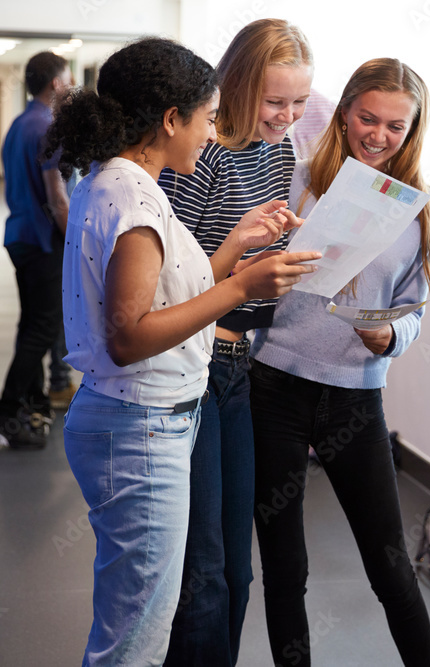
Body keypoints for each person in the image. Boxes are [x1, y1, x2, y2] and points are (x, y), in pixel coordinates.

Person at [43, 37, 319, 665]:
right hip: (139, 426)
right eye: (209, 118)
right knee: (136, 638)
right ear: (172, 119)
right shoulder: (136, 200)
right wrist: (242, 286)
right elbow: (130, 334)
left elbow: (173, 291)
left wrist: (236, 248)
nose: (212, 133)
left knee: (141, 619)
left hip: (138, 420)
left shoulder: (118, 182)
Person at [249, 58, 430, 667]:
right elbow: (244, 273)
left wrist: (390, 337)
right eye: (368, 118)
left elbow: (413, 311)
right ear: (343, 113)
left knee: (390, 566)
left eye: (396, 126)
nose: (378, 135)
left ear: (413, 130)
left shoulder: (419, 209)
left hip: (354, 398)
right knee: (285, 567)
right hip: (274, 388)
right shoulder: (295, 181)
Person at [157, 18, 314, 666]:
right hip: (191, 368)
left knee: (235, 574)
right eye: (276, 102)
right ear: (238, 87)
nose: (287, 117)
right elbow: (170, 289)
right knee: (205, 576)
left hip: (240, 368)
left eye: (300, 103)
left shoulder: (281, 153)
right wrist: (244, 262)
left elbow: (259, 259)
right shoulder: (200, 154)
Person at [0, 51, 71, 449]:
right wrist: (78, 243)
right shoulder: (48, 126)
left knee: (32, 323)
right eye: (68, 78)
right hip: (41, 240)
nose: (70, 84)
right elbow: (57, 199)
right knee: (43, 328)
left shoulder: (19, 123)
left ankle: (30, 408)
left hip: (18, 236)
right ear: (55, 83)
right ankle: (3, 414)